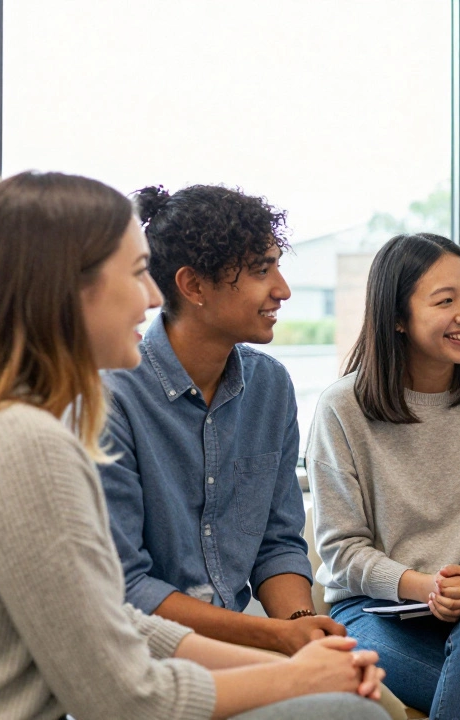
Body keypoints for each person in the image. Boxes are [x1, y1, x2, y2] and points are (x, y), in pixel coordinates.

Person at [0, 170, 388, 720]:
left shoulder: (26, 429)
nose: (152, 295)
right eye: (135, 273)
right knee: (353, 712)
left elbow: (113, 617)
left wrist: (289, 643)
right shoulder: (31, 442)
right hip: (135, 692)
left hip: (190, 658)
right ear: (66, 289)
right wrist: (287, 667)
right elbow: (122, 693)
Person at [99, 184, 339, 656]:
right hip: (143, 656)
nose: (282, 290)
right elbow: (126, 585)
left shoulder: (270, 386)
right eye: (260, 270)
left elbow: (277, 542)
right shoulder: (113, 396)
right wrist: (275, 638)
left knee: (359, 692)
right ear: (192, 286)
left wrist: (303, 628)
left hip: (240, 648)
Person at [307, 233, 460, 718]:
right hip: (372, 611)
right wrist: (424, 585)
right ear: (396, 318)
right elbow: (343, 551)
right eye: (445, 301)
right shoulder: (342, 409)